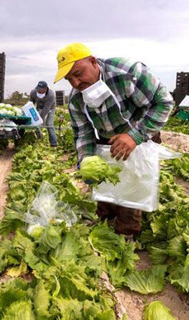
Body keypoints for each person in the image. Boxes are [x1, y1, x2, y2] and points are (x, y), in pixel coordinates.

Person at [54, 43, 174, 236]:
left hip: (142, 133)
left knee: (131, 189)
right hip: (107, 139)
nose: (76, 83)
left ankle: (126, 235)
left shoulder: (127, 73)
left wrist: (134, 136)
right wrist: (85, 161)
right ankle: (104, 223)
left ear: (93, 62)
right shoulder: (77, 100)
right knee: (105, 189)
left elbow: (164, 103)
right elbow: (83, 133)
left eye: (78, 74)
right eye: (69, 80)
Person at [29, 81, 58, 147]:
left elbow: (46, 109)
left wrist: (40, 119)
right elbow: (30, 104)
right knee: (36, 123)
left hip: (50, 108)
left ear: (45, 89)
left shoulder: (50, 95)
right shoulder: (33, 92)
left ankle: (54, 143)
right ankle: (39, 140)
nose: (38, 91)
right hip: (39, 107)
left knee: (49, 124)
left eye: (40, 90)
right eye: (37, 89)